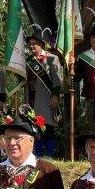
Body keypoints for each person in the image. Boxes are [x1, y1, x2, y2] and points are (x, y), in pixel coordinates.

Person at [24, 26, 64, 157]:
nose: (31, 46)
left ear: (41, 45)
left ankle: (50, 156)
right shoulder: (28, 61)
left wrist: (55, 96)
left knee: (47, 128)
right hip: (31, 99)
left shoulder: (52, 58)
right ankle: (38, 157)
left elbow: (57, 79)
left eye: (34, 44)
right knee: (34, 129)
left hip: (46, 99)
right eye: (30, 44)